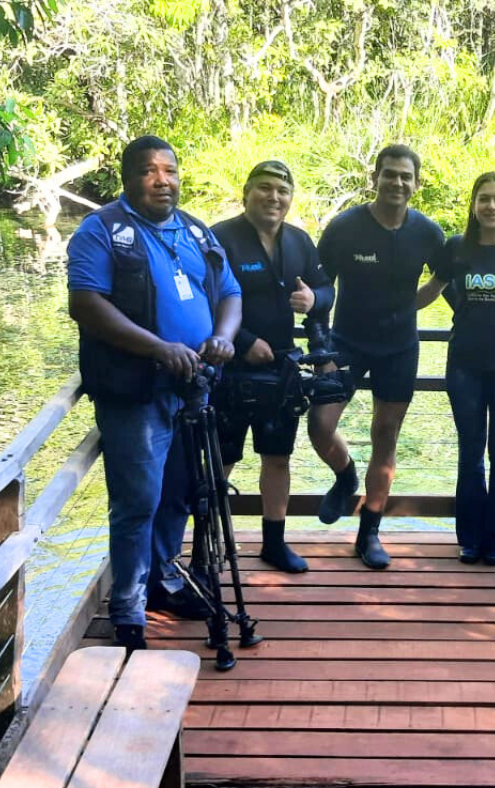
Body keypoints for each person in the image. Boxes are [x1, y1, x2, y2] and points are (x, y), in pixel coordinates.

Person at [67, 135, 242, 651]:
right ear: (128, 177)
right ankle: (128, 610)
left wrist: (223, 338)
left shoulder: (195, 230)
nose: (162, 180)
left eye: (169, 170)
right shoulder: (101, 231)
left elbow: (230, 293)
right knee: (138, 501)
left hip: (194, 390)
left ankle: (164, 581)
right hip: (136, 392)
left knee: (179, 497)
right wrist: (157, 348)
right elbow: (87, 305)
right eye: (149, 171)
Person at [308, 144, 445, 569]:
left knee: (386, 435)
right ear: (375, 178)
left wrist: (409, 308)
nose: (397, 183)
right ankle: (345, 474)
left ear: (416, 184)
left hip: (399, 346)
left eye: (406, 176)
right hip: (346, 341)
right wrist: (323, 350)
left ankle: (369, 534)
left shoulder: (427, 232)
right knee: (319, 425)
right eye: (390, 174)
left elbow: (443, 277)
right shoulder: (345, 227)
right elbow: (319, 293)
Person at [210, 160, 334, 573]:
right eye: (264, 188)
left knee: (277, 457)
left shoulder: (299, 241)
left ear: (290, 198)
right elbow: (202, 298)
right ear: (246, 192)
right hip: (229, 366)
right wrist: (243, 342)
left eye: (282, 191)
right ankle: (208, 544)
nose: (273, 197)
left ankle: (274, 543)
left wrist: (315, 302)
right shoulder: (221, 238)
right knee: (221, 459)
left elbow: (325, 290)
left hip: (282, 369)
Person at [419, 173, 495, 565]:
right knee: (470, 451)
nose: (492, 206)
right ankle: (470, 538)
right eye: (484, 199)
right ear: (474, 206)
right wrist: (388, 308)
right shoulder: (456, 249)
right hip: (465, 366)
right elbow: (428, 293)